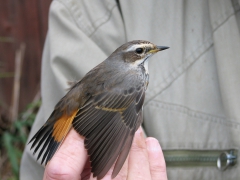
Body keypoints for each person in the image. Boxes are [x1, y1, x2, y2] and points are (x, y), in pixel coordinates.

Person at [21, 0, 240, 179]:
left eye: (149, 50)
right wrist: (107, 153)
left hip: (80, 101)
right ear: (127, 56)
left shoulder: (129, 75)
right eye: (141, 51)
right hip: (79, 105)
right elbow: (117, 121)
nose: (150, 52)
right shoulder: (132, 79)